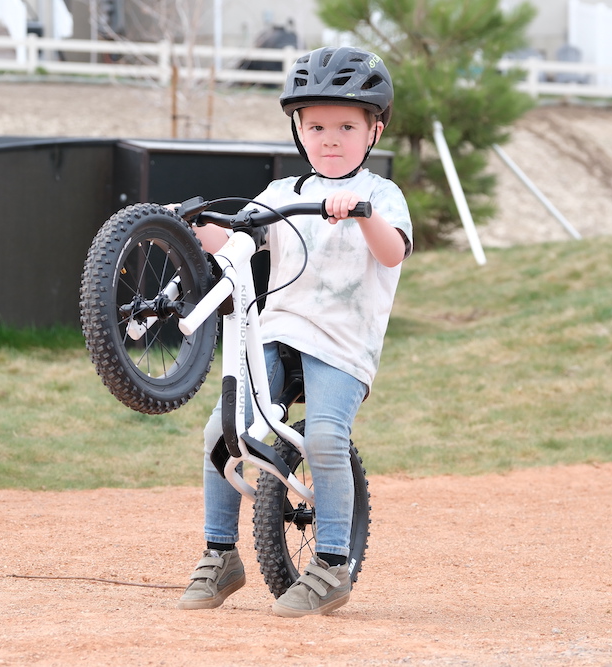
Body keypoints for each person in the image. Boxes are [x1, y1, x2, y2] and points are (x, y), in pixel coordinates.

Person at [177, 46, 413, 617]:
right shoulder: (282, 193)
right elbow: (237, 244)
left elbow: (393, 252)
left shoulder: (380, 195)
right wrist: (198, 225)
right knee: (221, 431)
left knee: (327, 438)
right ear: (298, 130)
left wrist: (360, 212)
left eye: (346, 126)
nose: (330, 138)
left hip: (341, 345)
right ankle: (220, 553)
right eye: (316, 126)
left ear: (373, 130)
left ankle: (333, 563)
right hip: (277, 332)